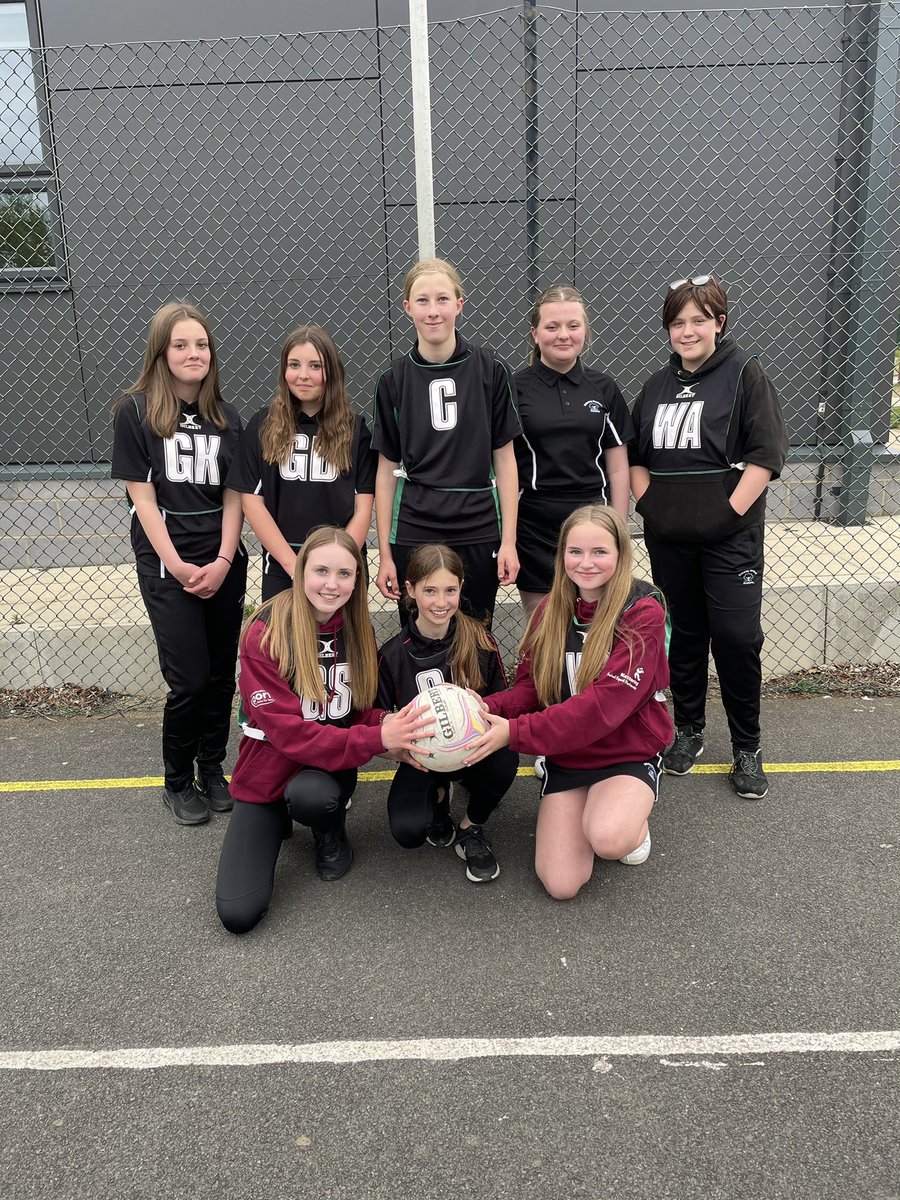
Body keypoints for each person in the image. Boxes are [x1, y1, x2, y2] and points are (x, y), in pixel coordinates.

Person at [215, 526, 431, 935]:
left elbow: (358, 712)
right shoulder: (266, 632)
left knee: (312, 797)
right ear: (300, 570)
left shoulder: (357, 630)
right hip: (269, 768)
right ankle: (274, 812)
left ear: (356, 580)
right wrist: (376, 740)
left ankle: (329, 832)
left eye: (345, 574)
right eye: (321, 571)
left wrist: (396, 730)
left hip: (324, 773)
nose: (332, 585)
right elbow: (290, 736)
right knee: (238, 913)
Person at [629, 274, 788, 800]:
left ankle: (748, 746)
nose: (688, 330)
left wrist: (727, 514)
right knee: (688, 635)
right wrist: (651, 505)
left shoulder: (745, 373)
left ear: (720, 323)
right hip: (670, 539)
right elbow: (635, 457)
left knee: (737, 637)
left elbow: (765, 456)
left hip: (729, 540)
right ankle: (690, 730)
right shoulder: (655, 387)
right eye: (678, 322)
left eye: (700, 320)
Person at [465, 505, 672, 901]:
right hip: (570, 755)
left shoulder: (643, 611)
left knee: (609, 838)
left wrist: (514, 734)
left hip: (626, 751)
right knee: (560, 884)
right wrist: (485, 708)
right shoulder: (548, 611)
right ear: (562, 555)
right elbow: (531, 690)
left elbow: (602, 708)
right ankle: (594, 802)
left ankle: (633, 819)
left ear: (621, 553)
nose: (586, 562)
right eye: (575, 551)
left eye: (600, 552)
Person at [111, 301, 248, 826]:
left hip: (221, 560)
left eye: (202, 345)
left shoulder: (227, 418)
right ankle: (177, 780)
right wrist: (179, 564)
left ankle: (212, 768)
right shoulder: (137, 412)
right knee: (188, 678)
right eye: (181, 345)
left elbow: (236, 496)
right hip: (169, 561)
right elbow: (142, 500)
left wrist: (221, 559)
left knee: (219, 674)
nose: (194, 354)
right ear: (161, 352)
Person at [372, 257, 521, 626]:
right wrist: (386, 554)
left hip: (478, 522)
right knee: (420, 633)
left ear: (459, 304)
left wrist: (508, 541)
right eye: (422, 301)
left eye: (442, 299)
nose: (433, 311)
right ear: (407, 308)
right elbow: (386, 468)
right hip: (416, 524)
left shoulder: (491, 369)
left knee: (474, 633)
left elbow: (504, 459)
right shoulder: (394, 378)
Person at [376, 544, 518, 883]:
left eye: (450, 590)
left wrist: (489, 715)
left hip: (474, 753)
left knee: (507, 756)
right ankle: (438, 797)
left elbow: (503, 700)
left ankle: (472, 828)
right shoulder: (391, 655)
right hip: (423, 758)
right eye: (430, 591)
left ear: (461, 588)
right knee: (408, 831)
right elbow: (375, 720)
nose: (441, 602)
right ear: (410, 591)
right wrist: (399, 749)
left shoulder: (480, 639)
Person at [226, 325, 377, 601]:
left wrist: (337, 566)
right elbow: (252, 502)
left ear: (330, 371)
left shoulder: (355, 429)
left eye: (315, 365)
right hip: (284, 564)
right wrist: (294, 565)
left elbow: (363, 507)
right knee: (283, 642)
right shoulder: (263, 425)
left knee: (341, 643)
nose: (303, 375)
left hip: (340, 567)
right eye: (294, 364)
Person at [513, 285, 633, 616]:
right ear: (535, 333)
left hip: (593, 524)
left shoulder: (604, 387)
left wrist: (617, 529)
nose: (563, 335)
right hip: (535, 526)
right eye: (552, 327)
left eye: (573, 326)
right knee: (542, 630)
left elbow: (619, 467)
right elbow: (503, 465)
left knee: (595, 629)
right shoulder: (515, 388)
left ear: (586, 332)